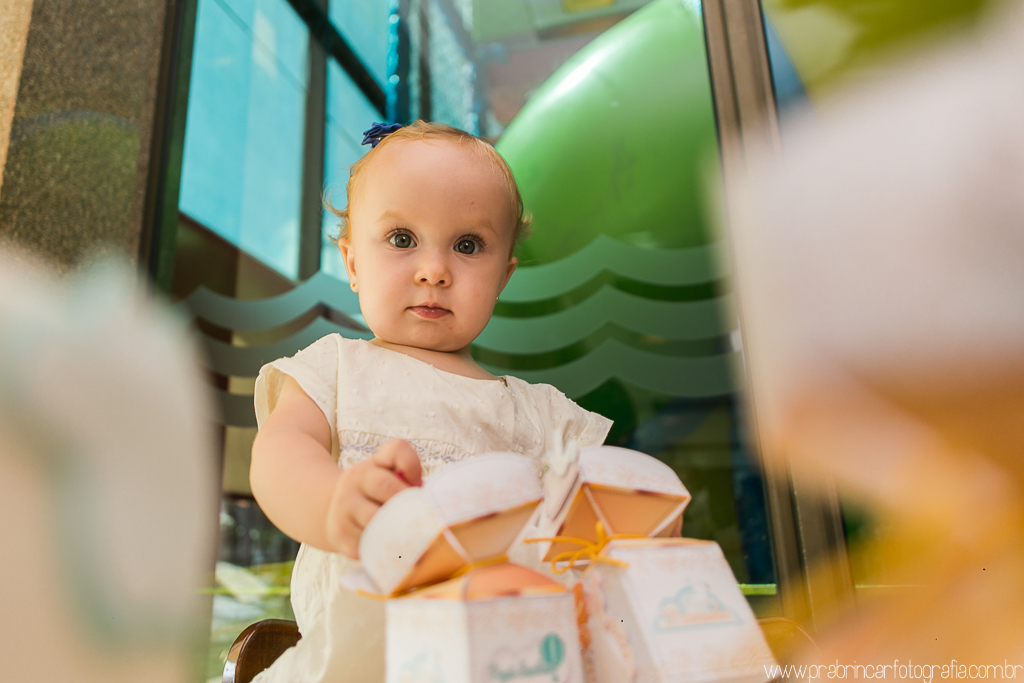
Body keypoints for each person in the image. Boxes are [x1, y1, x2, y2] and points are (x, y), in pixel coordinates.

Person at [248, 121, 612, 682]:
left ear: (503, 276)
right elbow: (281, 452)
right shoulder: (336, 368)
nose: (434, 270)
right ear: (350, 262)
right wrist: (331, 505)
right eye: (401, 239)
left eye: (468, 246)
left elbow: (602, 521)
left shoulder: (542, 414)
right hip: (362, 658)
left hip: (510, 661)